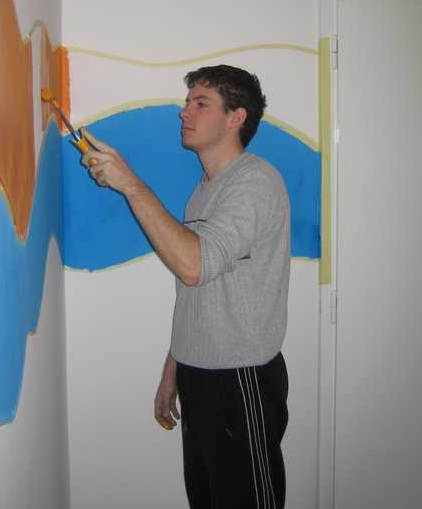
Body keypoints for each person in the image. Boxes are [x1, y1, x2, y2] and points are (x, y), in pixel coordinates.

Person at [81, 64, 290, 509]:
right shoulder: (204, 190)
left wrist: (130, 185)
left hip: (241, 379)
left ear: (236, 118)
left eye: (201, 103)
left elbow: (194, 266)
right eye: (187, 101)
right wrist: (174, 367)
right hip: (200, 375)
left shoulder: (254, 183)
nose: (185, 112)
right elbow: (194, 287)